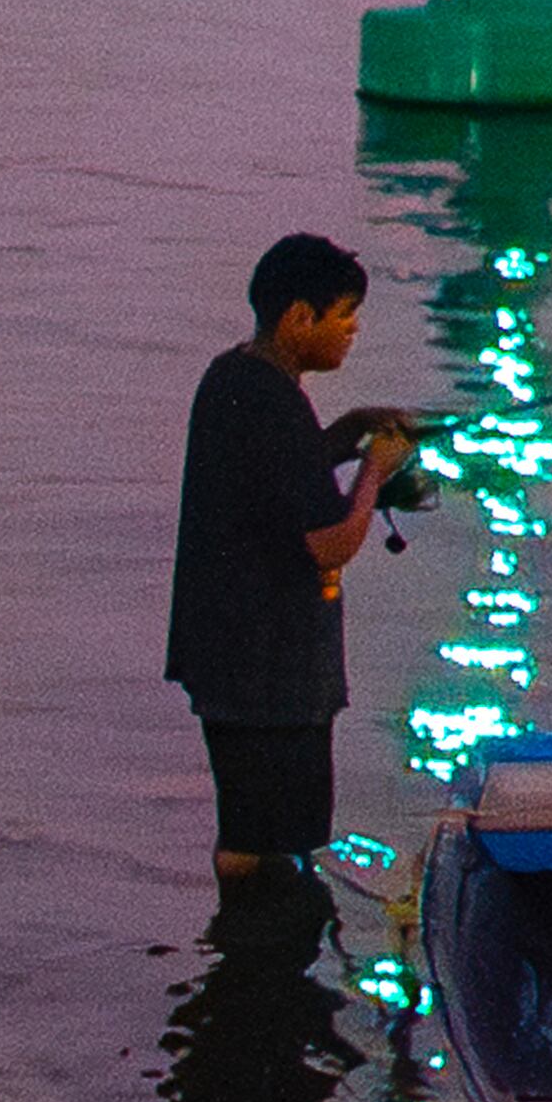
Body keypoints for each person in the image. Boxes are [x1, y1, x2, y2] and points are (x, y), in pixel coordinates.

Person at [168, 233, 412, 885]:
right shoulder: (271, 403)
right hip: (264, 673)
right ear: (298, 317)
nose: (352, 331)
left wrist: (346, 430)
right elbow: (329, 542)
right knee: (266, 844)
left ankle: (251, 953)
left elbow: (277, 483)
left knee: (256, 831)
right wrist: (374, 472)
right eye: (343, 316)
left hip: (239, 660)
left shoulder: (236, 378)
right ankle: (261, 959)